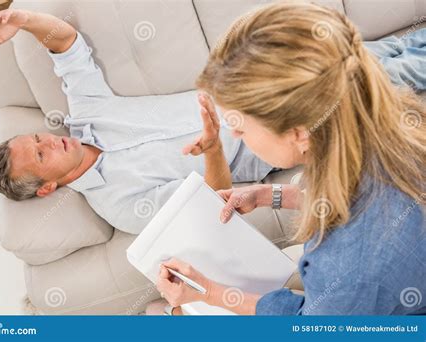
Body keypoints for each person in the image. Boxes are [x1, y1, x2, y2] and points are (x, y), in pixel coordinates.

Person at [154, 3, 425, 315]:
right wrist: (270, 194)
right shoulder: (392, 122)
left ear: (300, 133)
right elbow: (358, 199)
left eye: (241, 127)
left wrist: (208, 292)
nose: (237, 138)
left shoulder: (351, 268)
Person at [0, 9, 272, 234]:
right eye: (42, 154)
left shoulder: (87, 112)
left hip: (246, 86)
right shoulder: (120, 206)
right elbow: (212, 204)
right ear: (46, 187)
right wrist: (213, 149)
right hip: (264, 141)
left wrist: (24, 20)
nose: (50, 141)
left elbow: (66, 43)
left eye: (37, 138)